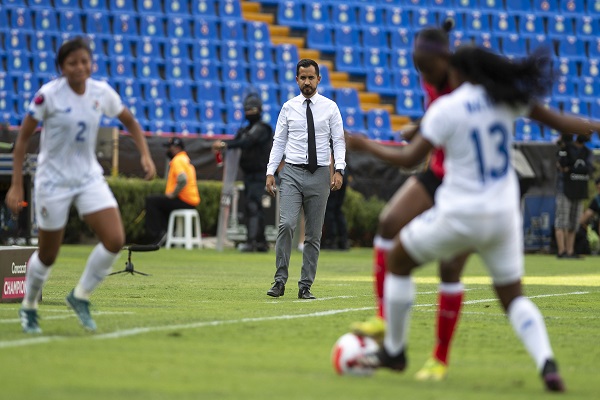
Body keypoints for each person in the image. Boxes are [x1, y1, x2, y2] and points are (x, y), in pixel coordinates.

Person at [353, 45, 600, 392]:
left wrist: (363, 145)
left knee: (397, 260)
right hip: (503, 215)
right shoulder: (506, 97)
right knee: (513, 297)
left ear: (457, 72)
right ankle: (547, 364)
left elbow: (409, 158)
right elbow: (563, 123)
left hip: (460, 213)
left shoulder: (447, 108)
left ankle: (394, 351)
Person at [5, 36, 156, 334]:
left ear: (91, 63)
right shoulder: (48, 95)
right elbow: (21, 141)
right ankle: (30, 305)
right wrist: (16, 185)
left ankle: (80, 295)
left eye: (84, 61)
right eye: (72, 63)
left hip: (88, 177)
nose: (79, 67)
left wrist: (145, 154)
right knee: (48, 254)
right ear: (61, 67)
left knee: (114, 239)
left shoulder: (101, 92)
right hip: (53, 181)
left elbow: (131, 122)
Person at [349, 21, 469, 381]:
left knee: (449, 267)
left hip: (463, 180)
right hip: (437, 170)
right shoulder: (430, 74)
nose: (421, 71)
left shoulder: (462, 82)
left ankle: (439, 358)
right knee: (388, 222)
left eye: (424, 63)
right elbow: (438, 117)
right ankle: (383, 319)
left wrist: (412, 134)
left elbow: (447, 120)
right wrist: (419, 127)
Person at [265, 59, 346, 300]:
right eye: (303, 77)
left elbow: (338, 141)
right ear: (297, 79)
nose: (307, 82)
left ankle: (305, 286)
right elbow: (278, 141)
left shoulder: (330, 107)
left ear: (319, 79)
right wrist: (270, 171)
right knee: (286, 224)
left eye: (311, 77)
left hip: (320, 173)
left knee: (313, 234)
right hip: (290, 171)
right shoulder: (288, 107)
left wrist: (338, 169)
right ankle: (279, 280)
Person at [212, 93, 273, 252]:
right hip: (248, 174)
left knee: (254, 205)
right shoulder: (244, 130)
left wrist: (226, 144)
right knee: (250, 206)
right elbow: (238, 141)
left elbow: (247, 142)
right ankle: (260, 242)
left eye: (252, 109)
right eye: (247, 109)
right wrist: (225, 146)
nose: (249, 113)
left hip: (260, 174)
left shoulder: (263, 129)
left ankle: (253, 241)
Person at [145, 137, 200, 245]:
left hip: (183, 200)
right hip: (191, 201)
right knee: (161, 204)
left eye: (169, 147)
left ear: (176, 148)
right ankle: (168, 232)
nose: (168, 151)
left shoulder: (178, 160)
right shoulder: (186, 159)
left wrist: (173, 194)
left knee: (151, 201)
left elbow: (182, 179)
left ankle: (156, 235)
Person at [554, 134, 593, 258]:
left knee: (574, 223)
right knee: (562, 221)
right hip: (565, 189)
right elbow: (561, 165)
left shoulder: (587, 152)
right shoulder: (566, 148)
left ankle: (570, 251)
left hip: (580, 189)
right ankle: (562, 251)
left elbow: (589, 169)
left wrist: (572, 168)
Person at [322, 141, 350, 251]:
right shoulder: (339, 141)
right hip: (343, 174)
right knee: (338, 209)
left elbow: (330, 158)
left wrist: (330, 180)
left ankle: (331, 240)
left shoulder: (327, 139)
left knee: (330, 209)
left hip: (334, 175)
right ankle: (343, 240)